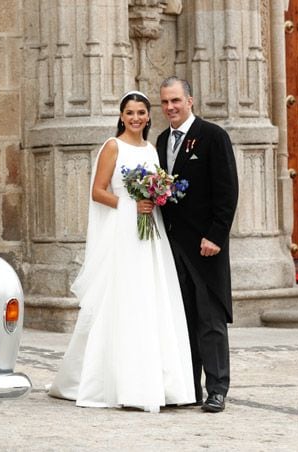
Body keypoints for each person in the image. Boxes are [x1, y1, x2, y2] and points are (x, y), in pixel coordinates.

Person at [48, 91, 195, 412]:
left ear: (147, 115)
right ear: (121, 115)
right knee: (125, 298)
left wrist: (155, 198)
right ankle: (117, 382)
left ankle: (160, 382)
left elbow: (160, 189)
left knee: (151, 298)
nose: (136, 118)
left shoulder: (152, 149)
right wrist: (130, 203)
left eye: (141, 112)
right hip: (124, 234)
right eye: (130, 112)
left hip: (149, 234)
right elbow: (98, 192)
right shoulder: (113, 147)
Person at [156, 76, 239, 413]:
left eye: (176, 100)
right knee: (183, 319)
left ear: (190, 100)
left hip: (205, 247)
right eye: (164, 102)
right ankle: (189, 387)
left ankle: (217, 387)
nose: (170, 108)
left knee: (210, 320)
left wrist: (216, 236)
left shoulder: (213, 136)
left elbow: (227, 190)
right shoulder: (161, 141)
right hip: (173, 245)